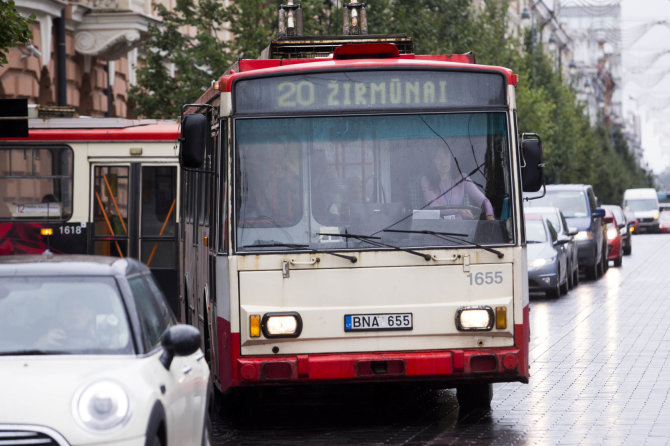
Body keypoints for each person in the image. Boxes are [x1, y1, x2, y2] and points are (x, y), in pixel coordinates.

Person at [420, 145, 495, 220]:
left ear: (451, 159)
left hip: (460, 229)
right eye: (439, 158)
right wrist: (458, 211)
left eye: (446, 156)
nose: (444, 161)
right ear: (433, 162)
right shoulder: (426, 180)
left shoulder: (462, 178)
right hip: (436, 228)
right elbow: (433, 206)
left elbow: (484, 201)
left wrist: (490, 215)